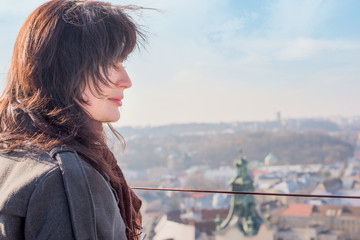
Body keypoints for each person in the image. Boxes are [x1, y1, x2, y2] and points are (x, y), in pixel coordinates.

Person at [0, 0, 145, 239]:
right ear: (65, 70)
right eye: (111, 63)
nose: (126, 80)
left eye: (123, 63)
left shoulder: (13, 152)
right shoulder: (65, 179)